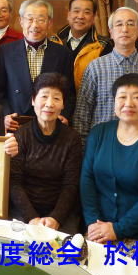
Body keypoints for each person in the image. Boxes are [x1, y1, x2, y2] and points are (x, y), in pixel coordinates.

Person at [80, 73, 138, 270]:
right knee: (74, 268)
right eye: (122, 96)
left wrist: (117, 229)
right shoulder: (99, 133)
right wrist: (92, 223)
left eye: (137, 97)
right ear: (114, 102)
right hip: (100, 227)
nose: (128, 103)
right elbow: (87, 180)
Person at [73, 7, 138, 140]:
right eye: (119, 24)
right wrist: (84, 148)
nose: (125, 29)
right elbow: (82, 114)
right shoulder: (95, 67)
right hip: (102, 143)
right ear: (111, 32)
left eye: (130, 24)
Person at [10, 73, 82, 233]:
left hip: (62, 212)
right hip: (24, 211)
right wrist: (32, 218)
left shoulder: (72, 138)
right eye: (44, 96)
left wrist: (55, 218)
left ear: (63, 104)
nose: (49, 104)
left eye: (56, 98)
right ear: (33, 100)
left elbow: (71, 184)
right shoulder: (20, 135)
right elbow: (14, 183)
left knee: (63, 247)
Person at [0, 0, 75, 131]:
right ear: (21, 21)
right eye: (29, 19)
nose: (35, 25)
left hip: (50, 122)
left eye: (41, 20)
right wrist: (5, 115)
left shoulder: (63, 53)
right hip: (16, 121)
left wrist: (64, 115)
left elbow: (69, 93)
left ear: (49, 23)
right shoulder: (5, 52)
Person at [56, 0, 112, 91]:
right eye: (76, 11)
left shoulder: (104, 46)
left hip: (88, 99)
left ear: (94, 17)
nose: (80, 16)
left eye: (87, 12)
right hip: (56, 99)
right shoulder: (53, 41)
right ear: (68, 14)